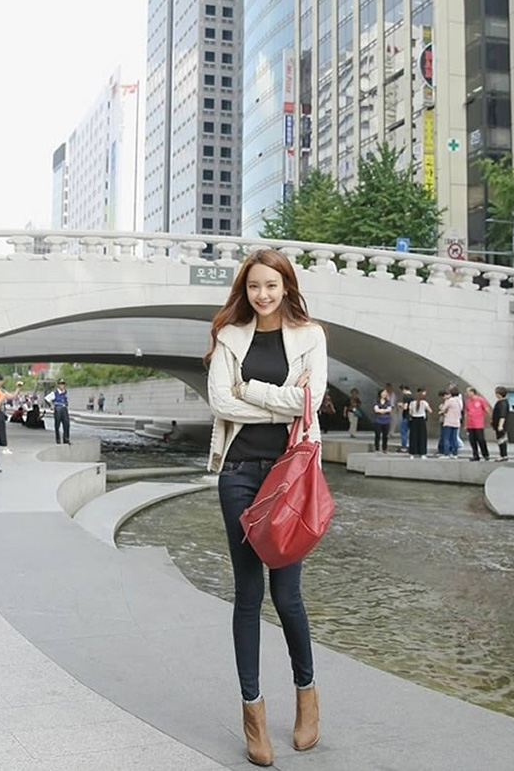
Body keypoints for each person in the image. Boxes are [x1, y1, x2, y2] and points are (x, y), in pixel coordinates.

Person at [205, 249, 326, 767]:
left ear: (286, 287)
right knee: (248, 595)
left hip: (288, 476)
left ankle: (307, 696)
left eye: (271, 286)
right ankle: (253, 714)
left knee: (288, 595)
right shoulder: (229, 337)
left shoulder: (311, 336)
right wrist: (282, 400)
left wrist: (251, 390)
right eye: (254, 286)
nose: (263, 295)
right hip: (238, 474)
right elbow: (220, 402)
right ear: (245, 289)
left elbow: (311, 402)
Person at [0, 373, 23, 455]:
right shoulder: (1, 390)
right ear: (0, 381)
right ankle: (4, 448)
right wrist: (18, 388)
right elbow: (12, 396)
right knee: (1, 430)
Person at [464, 387, 491, 461]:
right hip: (470, 424)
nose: (466, 394)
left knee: (481, 439)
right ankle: (475, 455)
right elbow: (466, 413)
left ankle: (485, 454)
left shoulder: (481, 400)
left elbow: (487, 409)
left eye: (468, 392)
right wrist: (465, 424)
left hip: (478, 424)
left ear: (472, 392)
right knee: (472, 441)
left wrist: (490, 419)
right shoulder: (467, 402)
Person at [408, 388, 432, 458]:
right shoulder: (424, 403)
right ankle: (422, 453)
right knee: (422, 437)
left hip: (414, 420)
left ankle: (412, 453)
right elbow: (430, 411)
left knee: (413, 436)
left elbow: (410, 412)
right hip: (421, 420)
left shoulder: (412, 403)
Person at [45, 378, 70, 444]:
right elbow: (46, 398)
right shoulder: (54, 393)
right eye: (61, 384)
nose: (62, 385)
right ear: (58, 385)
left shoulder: (65, 392)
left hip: (64, 408)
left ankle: (66, 439)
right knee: (57, 425)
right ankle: (58, 439)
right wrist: (50, 405)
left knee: (66, 424)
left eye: (63, 384)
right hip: (58, 408)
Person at [440, 388, 462, 458]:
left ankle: (446, 453)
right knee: (454, 438)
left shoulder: (450, 401)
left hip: (449, 421)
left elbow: (443, 409)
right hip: (456, 421)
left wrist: (441, 409)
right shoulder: (460, 401)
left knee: (446, 438)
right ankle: (455, 454)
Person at [491, 386, 509, 462]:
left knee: (501, 440)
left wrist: (500, 425)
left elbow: (502, 415)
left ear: (499, 394)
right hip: (499, 424)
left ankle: (503, 455)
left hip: (501, 425)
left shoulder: (502, 403)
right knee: (501, 440)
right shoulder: (502, 402)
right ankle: (503, 455)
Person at [373, 388, 392, 452]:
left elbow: (389, 409)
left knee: (385, 435)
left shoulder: (388, 402)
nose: (385, 394)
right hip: (378, 420)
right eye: (384, 392)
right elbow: (376, 410)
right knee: (377, 435)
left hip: (386, 421)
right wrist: (384, 410)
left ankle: (384, 448)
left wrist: (381, 410)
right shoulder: (376, 401)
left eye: (386, 393)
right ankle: (377, 448)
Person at [397, 384, 413, 453]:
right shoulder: (413, 396)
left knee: (403, 431)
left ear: (403, 390)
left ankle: (404, 447)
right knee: (411, 432)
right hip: (411, 416)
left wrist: (400, 405)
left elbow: (405, 407)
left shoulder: (406, 397)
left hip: (406, 416)